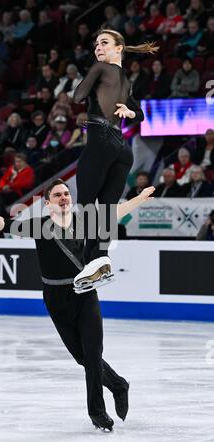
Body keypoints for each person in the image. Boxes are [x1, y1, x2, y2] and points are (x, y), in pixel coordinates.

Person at [0, 178, 155, 431]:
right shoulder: (40, 227)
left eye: (66, 194)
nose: (64, 198)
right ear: (48, 203)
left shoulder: (84, 221)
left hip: (84, 294)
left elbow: (113, 213)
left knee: (93, 356)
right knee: (82, 358)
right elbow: (3, 225)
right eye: (58, 195)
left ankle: (97, 413)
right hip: (55, 299)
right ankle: (118, 385)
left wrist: (139, 199)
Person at [72, 28, 158, 289]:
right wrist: (129, 113)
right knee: (106, 211)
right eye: (96, 43)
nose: (98, 47)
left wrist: (94, 71)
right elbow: (140, 114)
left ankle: (91, 262)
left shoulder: (101, 69)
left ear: (119, 48)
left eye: (104, 43)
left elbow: (78, 95)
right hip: (122, 149)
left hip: (100, 142)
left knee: (87, 207)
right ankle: (102, 262)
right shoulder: (125, 79)